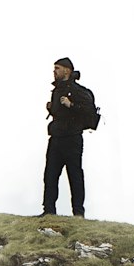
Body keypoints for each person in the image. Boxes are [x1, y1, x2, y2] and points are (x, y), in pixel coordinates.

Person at [41, 56, 97, 217]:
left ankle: (78, 214)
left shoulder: (79, 91)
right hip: (56, 137)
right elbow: (61, 115)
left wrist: (71, 105)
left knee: (75, 176)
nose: (54, 71)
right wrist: (52, 109)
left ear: (67, 70)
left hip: (72, 138)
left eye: (57, 68)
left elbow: (88, 112)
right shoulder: (57, 90)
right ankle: (48, 211)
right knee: (50, 175)